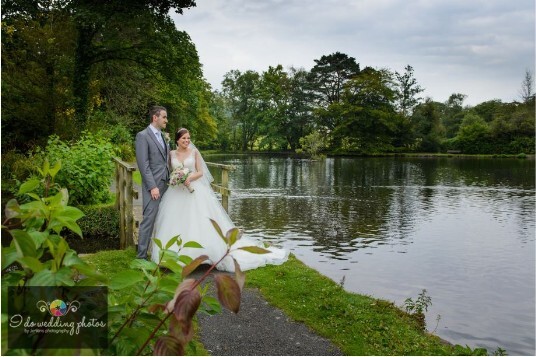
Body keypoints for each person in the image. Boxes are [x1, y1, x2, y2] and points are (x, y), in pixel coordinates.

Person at [151, 128, 288, 272]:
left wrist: (189, 177)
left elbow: (200, 172)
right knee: (176, 220)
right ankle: (173, 256)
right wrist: (177, 177)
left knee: (200, 220)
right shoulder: (171, 153)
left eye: (188, 138)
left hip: (195, 191)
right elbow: (169, 170)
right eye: (184, 138)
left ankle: (204, 255)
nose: (186, 141)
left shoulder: (194, 152)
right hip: (177, 192)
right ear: (177, 140)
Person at [135, 106, 170, 259]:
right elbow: (143, 165)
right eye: (164, 117)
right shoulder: (143, 136)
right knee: (149, 219)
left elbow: (164, 160)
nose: (166, 120)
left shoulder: (163, 136)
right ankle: (141, 257)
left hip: (167, 183)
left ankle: (160, 253)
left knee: (164, 217)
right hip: (154, 186)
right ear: (155, 118)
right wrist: (153, 186)